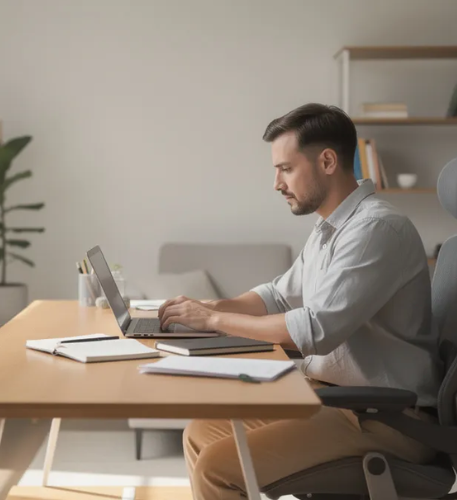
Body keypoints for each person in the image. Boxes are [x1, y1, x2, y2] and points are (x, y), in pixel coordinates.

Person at [157, 103, 442, 500]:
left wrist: (212, 321)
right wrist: (210, 307)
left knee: (218, 469)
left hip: (385, 419)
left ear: (327, 161)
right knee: (199, 434)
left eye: (286, 169)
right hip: (337, 402)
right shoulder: (330, 228)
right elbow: (277, 295)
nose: (276, 183)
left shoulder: (376, 228)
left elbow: (314, 330)